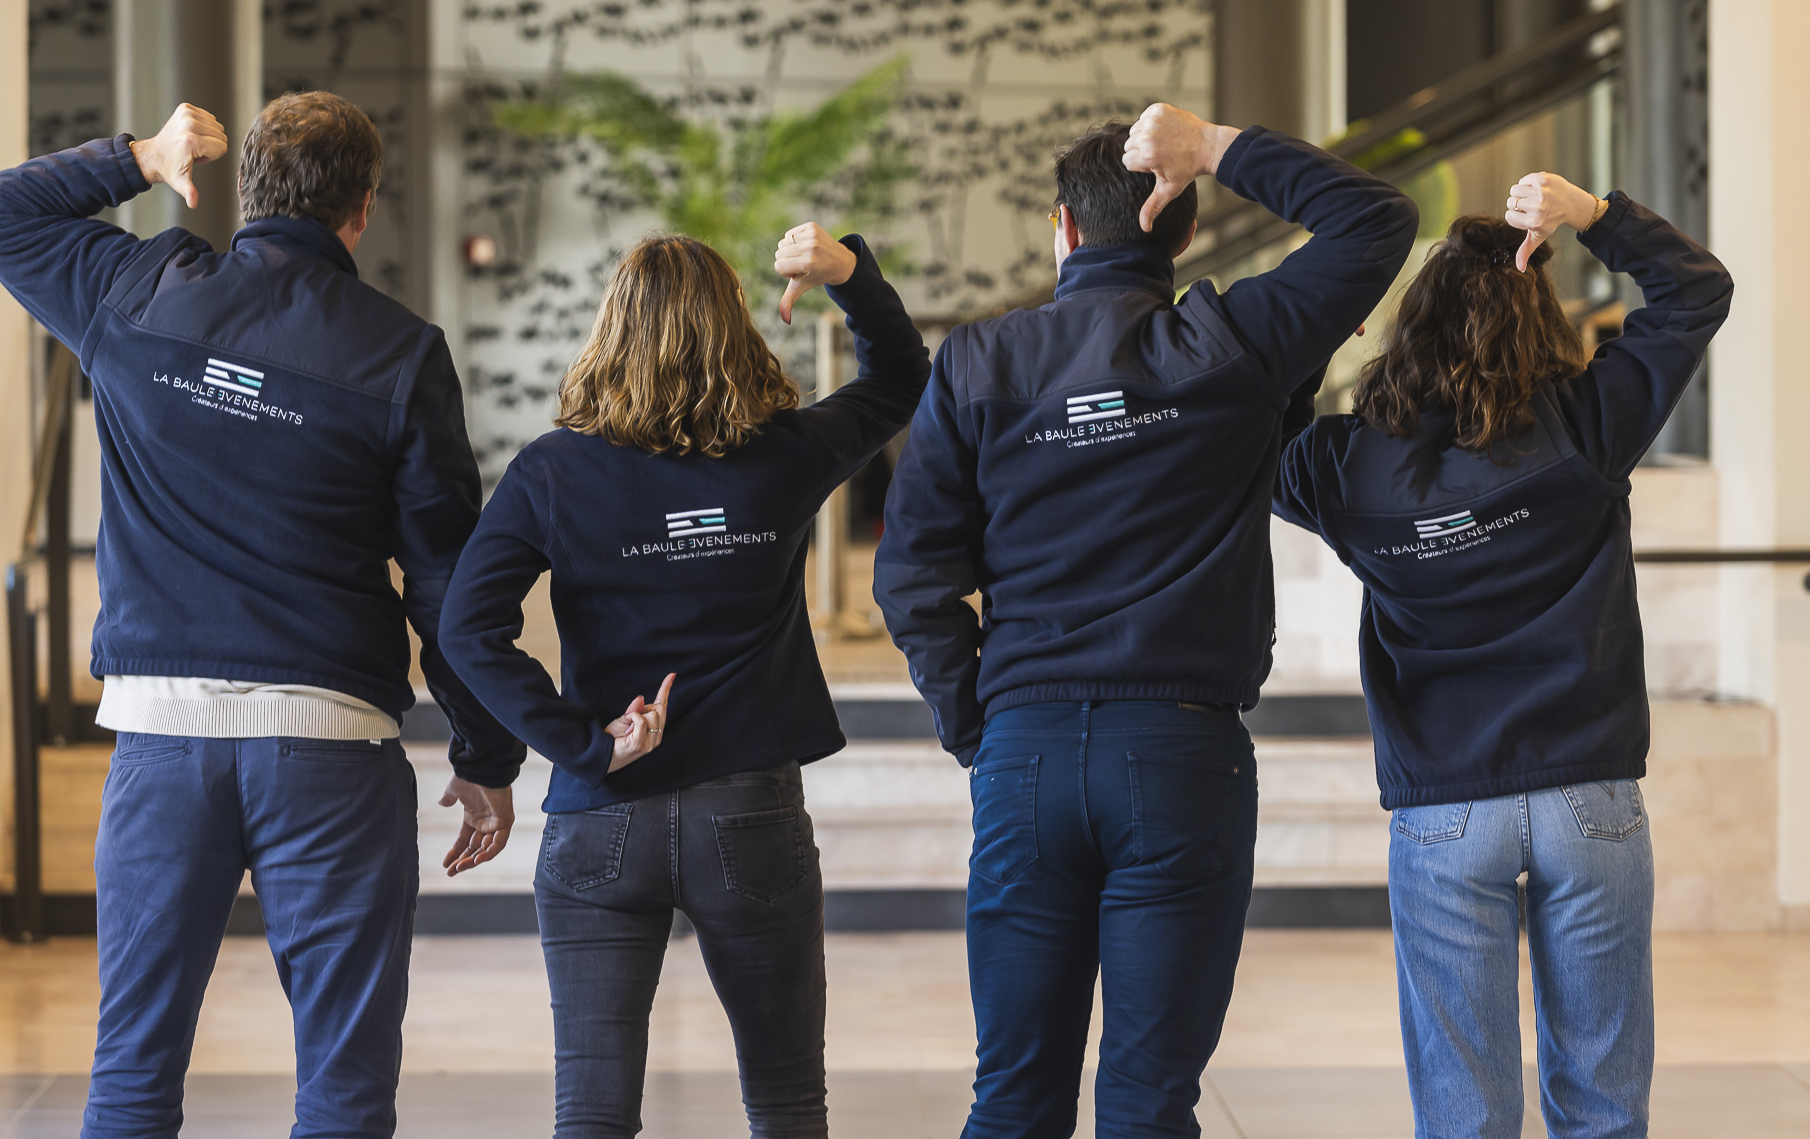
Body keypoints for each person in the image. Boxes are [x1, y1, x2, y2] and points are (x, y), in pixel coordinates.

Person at [0, 94, 526, 1139]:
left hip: (162, 741)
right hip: (330, 749)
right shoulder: (400, 353)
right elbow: (449, 580)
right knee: (344, 1092)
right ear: (362, 209)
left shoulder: (135, 289)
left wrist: (139, 157)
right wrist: (485, 753)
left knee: (132, 1078)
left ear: (247, 189)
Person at [873, 104, 1419, 1138]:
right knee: (1148, 1100)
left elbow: (911, 578)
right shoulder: (1234, 340)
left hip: (1024, 751)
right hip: (1179, 752)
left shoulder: (980, 363)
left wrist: (977, 733)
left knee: (1012, 1097)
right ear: (1181, 230)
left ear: (1061, 229)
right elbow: (1376, 221)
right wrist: (1214, 145)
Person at [438, 225, 929, 1139]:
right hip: (750, 813)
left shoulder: (554, 471)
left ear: (611, 330)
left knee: (591, 1114)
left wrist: (584, 743)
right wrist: (849, 275)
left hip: (601, 814)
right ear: (734, 329)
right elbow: (902, 378)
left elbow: (467, 627)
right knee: (786, 1106)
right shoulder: (789, 452)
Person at [1272, 174, 1732, 1138]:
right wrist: (1594, 216)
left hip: (1443, 809)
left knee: (1462, 1112)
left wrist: (1316, 328)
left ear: (1410, 328)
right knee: (1604, 1108)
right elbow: (1696, 291)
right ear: (1537, 324)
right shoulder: (1586, 426)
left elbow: (1251, 439)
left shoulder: (1345, 466)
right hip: (1589, 796)